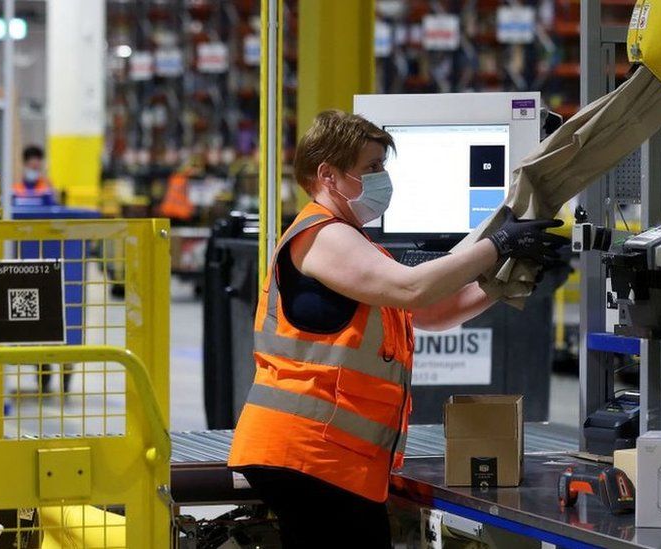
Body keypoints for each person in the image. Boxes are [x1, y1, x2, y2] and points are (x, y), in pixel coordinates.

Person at [227, 110, 566, 548]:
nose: (382, 178)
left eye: (382, 167)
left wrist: (501, 286)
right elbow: (413, 288)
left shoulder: (353, 244)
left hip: (327, 458)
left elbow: (430, 311)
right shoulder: (322, 236)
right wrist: (499, 245)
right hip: (309, 453)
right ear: (328, 174)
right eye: (371, 167)